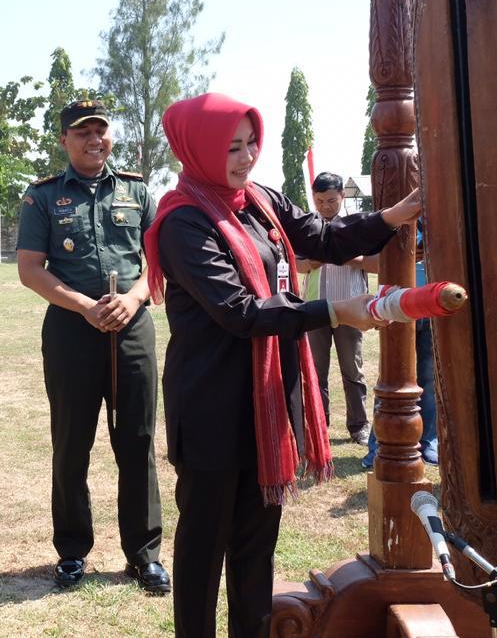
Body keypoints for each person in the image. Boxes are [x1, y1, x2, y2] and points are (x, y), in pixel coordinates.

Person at [146, 93, 419, 637]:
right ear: (197, 148)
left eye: (250, 144)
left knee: (256, 549)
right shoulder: (183, 221)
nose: (245, 158)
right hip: (212, 409)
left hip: (269, 401)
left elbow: (323, 237)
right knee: (203, 550)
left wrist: (395, 215)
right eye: (231, 148)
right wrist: (334, 310)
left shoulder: (259, 201)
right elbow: (240, 312)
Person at [16, 100, 169, 595]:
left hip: (132, 329)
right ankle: (72, 551)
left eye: (100, 131)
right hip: (70, 331)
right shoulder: (42, 197)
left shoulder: (138, 190)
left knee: (138, 442)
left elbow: (158, 263)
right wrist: (83, 305)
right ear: (65, 140)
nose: (94, 140)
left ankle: (144, 554)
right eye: (82, 133)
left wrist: (134, 298)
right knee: (71, 443)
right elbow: (30, 269)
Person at [296, 172, 372, 445]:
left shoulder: (356, 226)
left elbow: (375, 264)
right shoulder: (306, 226)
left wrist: (346, 256)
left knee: (352, 369)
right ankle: (318, 427)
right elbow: (296, 264)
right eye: (320, 201)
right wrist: (313, 262)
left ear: (342, 196)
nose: (326, 206)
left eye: (331, 200)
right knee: (316, 372)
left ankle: (359, 426)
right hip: (316, 307)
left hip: (351, 307)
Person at [362, 227, 439, 468]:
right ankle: (378, 444)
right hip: (397, 308)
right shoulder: (393, 223)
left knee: (429, 379)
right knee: (392, 378)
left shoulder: (439, 221)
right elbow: (369, 259)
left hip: (432, 307)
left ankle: (429, 442)